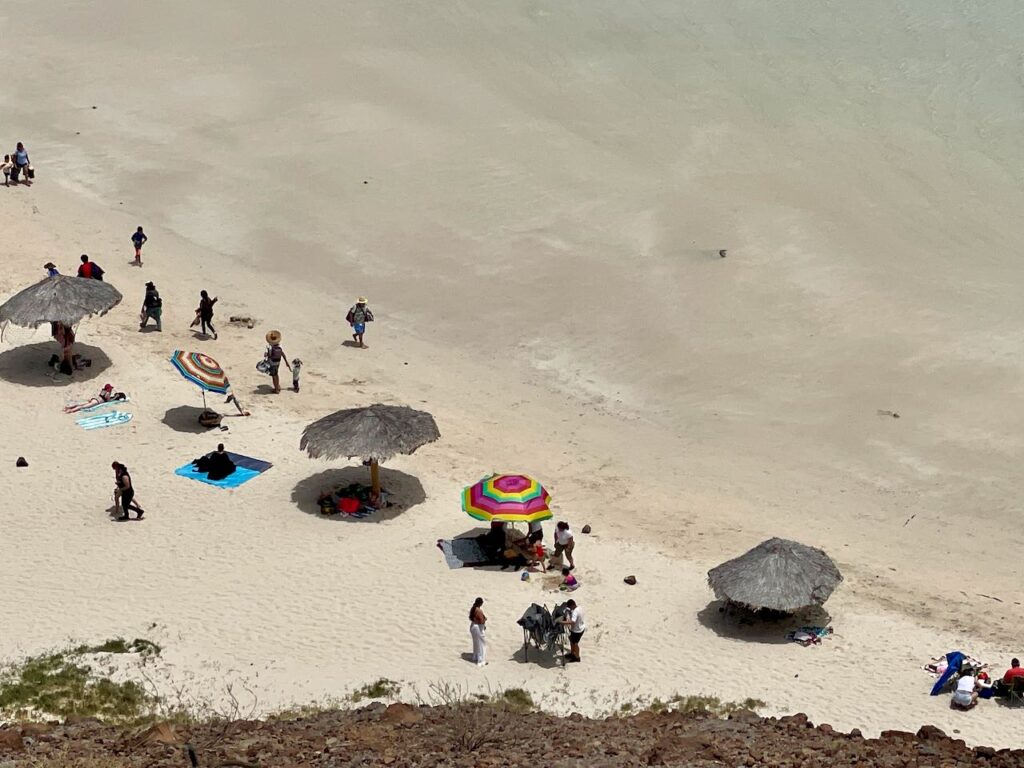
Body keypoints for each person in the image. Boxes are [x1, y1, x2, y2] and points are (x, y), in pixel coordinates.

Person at [558, 599, 585, 663]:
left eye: (570, 607)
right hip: (581, 628)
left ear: (572, 605)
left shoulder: (575, 612)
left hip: (577, 630)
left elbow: (572, 622)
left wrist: (562, 622)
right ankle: (572, 654)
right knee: (572, 641)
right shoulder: (580, 608)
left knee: (575, 644)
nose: (570, 608)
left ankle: (577, 657)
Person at [469, 597, 487, 667]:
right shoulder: (479, 610)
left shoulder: (473, 608)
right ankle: (481, 660)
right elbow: (481, 621)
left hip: (473, 626)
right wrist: (485, 620)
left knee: (476, 643)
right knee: (482, 644)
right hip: (478, 627)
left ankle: (475, 656)